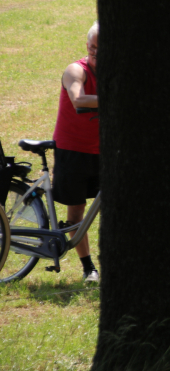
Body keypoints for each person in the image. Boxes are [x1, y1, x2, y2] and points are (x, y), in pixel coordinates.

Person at [52, 22, 100, 283]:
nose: (95, 53)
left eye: (101, 49)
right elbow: (79, 99)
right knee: (76, 213)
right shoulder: (75, 70)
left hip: (102, 150)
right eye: (92, 48)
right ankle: (88, 267)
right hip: (73, 149)